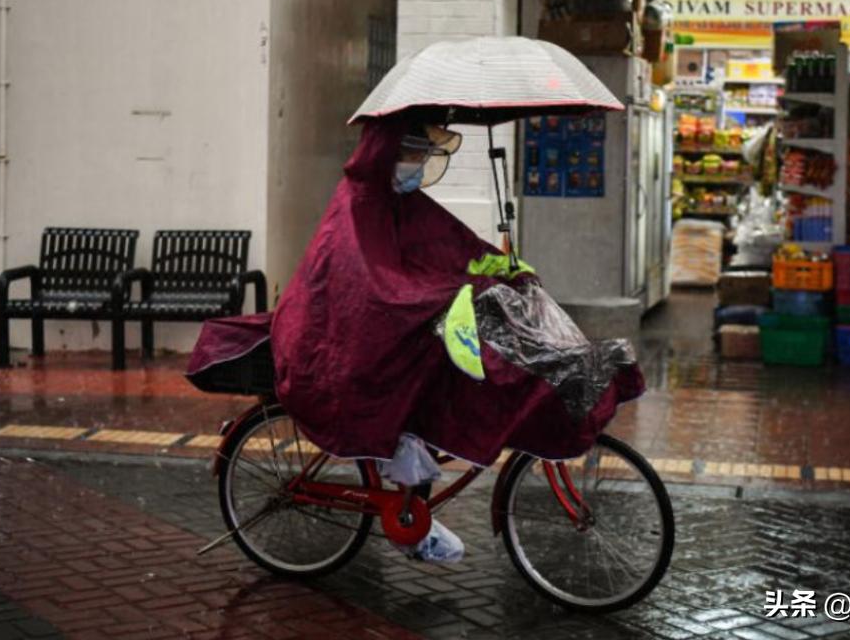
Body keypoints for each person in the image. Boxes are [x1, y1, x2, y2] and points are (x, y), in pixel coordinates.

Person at [269, 117, 644, 561]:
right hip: (350, 338)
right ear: (386, 153)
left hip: (409, 326)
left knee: (490, 357)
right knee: (461, 376)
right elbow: (372, 287)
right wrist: (443, 295)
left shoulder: (402, 201)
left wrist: (502, 268)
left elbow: (454, 246)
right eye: (411, 155)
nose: (417, 164)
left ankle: (417, 495)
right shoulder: (359, 204)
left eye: (422, 155)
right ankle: (412, 503)